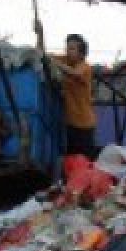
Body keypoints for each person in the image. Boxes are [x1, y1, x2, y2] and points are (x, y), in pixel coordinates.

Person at [37, 24, 97, 159]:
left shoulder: (85, 67)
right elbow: (41, 54)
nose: (68, 51)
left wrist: (53, 62)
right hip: (69, 124)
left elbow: (74, 73)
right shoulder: (65, 60)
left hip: (84, 126)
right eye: (67, 47)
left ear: (81, 53)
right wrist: (40, 34)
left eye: (72, 48)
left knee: (85, 162)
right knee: (71, 162)